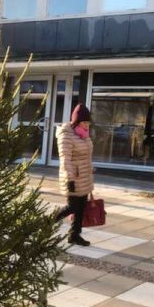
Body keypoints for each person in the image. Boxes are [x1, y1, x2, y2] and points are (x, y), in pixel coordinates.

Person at [55, 103, 94, 246]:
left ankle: (74, 235)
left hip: (84, 177)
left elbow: (86, 156)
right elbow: (65, 159)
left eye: (88, 122)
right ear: (76, 121)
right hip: (73, 177)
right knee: (71, 207)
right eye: (84, 122)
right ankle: (45, 223)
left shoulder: (84, 135)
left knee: (81, 208)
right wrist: (69, 179)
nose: (87, 125)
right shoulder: (66, 135)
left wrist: (90, 169)